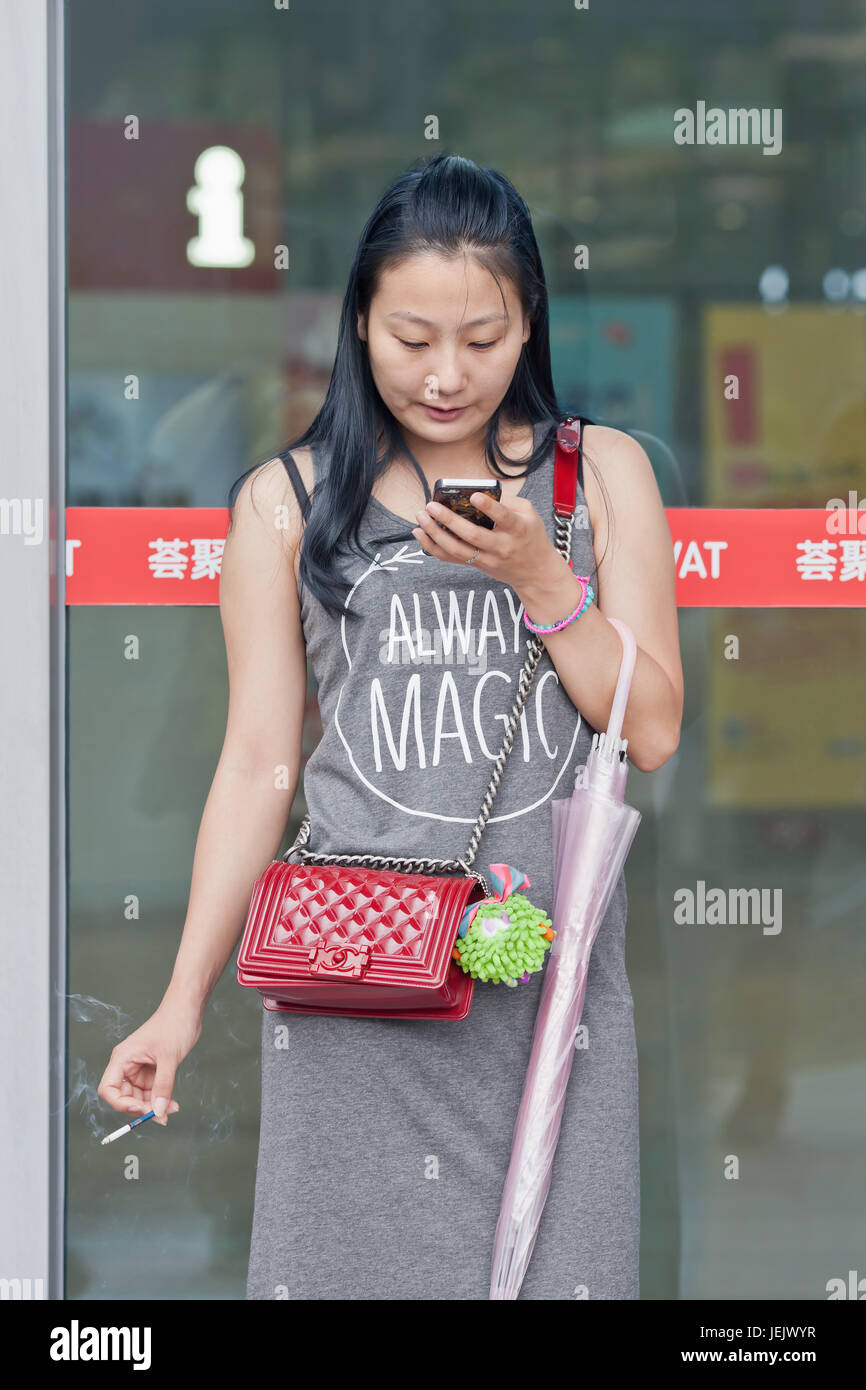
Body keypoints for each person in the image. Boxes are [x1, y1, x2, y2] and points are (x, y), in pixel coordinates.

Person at [98, 152, 683, 1300]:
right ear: (358, 321)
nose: (448, 375)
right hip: (350, 991)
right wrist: (181, 999)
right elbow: (260, 762)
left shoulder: (595, 476)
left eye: (483, 337)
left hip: (544, 1000)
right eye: (412, 340)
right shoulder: (286, 498)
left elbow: (652, 727)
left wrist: (540, 577)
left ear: (530, 326)